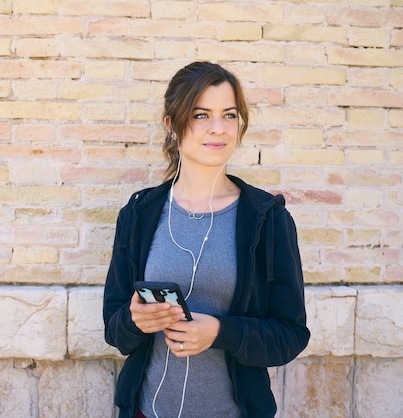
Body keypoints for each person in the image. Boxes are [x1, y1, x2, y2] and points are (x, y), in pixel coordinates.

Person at [103, 62, 310, 418]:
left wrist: (219, 332)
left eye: (229, 115)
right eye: (201, 115)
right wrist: (135, 320)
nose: (218, 129)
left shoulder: (267, 219)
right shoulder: (139, 214)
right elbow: (114, 329)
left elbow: (290, 336)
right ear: (171, 124)